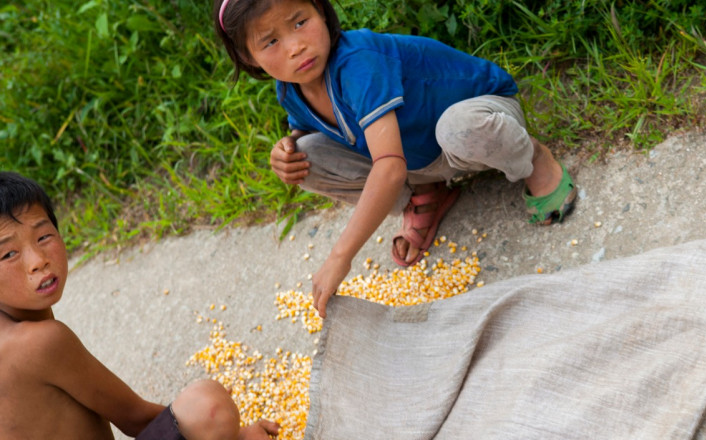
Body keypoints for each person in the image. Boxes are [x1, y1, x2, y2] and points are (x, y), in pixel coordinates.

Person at [214, 0, 577, 318]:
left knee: (457, 128)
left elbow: (389, 167)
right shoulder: (291, 88)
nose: (296, 47)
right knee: (305, 157)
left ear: (320, 9)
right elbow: (307, 128)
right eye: (271, 41)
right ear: (249, 56)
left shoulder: (358, 64)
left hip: (481, 119)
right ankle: (427, 190)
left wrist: (341, 256)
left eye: (299, 22)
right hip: (422, 155)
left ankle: (533, 158)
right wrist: (287, 148)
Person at [0, 171, 279, 440]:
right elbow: (136, 419)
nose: (37, 260)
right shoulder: (41, 342)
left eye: (43, 237)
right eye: (9, 254)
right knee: (209, 408)